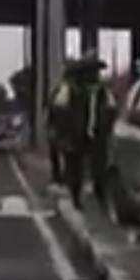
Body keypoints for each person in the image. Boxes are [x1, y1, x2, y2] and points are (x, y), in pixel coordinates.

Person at [48, 50, 115, 209]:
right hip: (74, 135)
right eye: (92, 72)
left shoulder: (102, 91)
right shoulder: (69, 89)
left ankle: (101, 198)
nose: (96, 75)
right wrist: (63, 135)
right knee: (75, 169)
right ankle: (76, 198)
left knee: (100, 169)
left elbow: (111, 109)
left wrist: (105, 129)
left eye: (97, 72)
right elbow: (58, 110)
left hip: (97, 136)